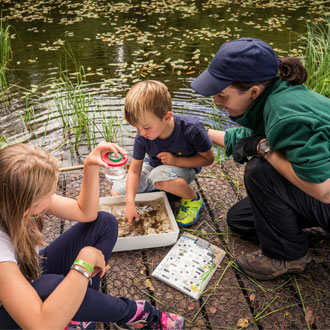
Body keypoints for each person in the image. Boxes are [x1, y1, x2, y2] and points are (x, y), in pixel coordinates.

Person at [0, 142, 185, 330]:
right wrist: (84, 262)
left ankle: (78, 311)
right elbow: (41, 325)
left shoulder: (10, 198)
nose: (53, 197)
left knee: (104, 224)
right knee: (49, 285)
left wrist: (90, 165)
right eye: (50, 194)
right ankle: (136, 314)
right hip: (15, 316)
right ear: (25, 208)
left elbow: (85, 213)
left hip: (28, 274)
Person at [190, 37, 330, 281]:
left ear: (253, 91)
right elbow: (251, 136)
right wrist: (202, 133)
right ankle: (292, 234)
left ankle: (288, 256)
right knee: (241, 220)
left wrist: (263, 149)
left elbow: (324, 190)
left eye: (222, 95)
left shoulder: (286, 116)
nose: (216, 101)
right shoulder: (275, 94)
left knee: (260, 171)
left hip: (324, 190)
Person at [111, 80, 214, 227]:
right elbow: (134, 171)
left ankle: (193, 198)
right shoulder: (142, 135)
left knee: (158, 177)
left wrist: (176, 161)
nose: (141, 133)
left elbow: (208, 159)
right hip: (155, 169)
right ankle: (166, 191)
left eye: (146, 127)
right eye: (137, 128)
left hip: (185, 169)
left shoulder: (192, 129)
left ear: (166, 117)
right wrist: (130, 203)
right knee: (117, 191)